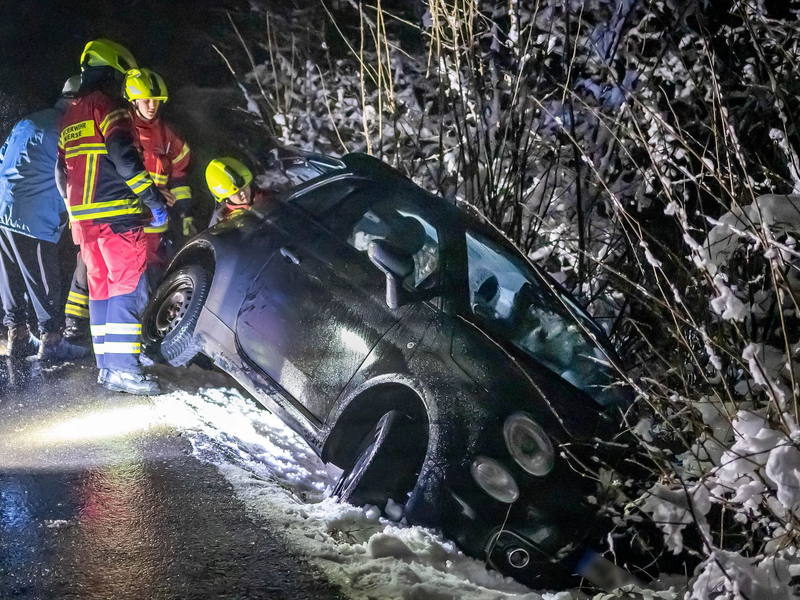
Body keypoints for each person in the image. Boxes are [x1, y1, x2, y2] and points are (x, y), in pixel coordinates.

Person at [56, 39, 168, 395]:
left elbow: (61, 172)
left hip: (84, 224)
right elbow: (125, 160)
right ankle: (124, 370)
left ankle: (108, 367)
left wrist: (76, 209)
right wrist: (152, 200)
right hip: (118, 219)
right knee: (127, 291)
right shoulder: (111, 108)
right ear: (114, 73)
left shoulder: (71, 115)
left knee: (101, 291)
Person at [0, 77, 87, 360]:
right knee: (44, 279)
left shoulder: (28, 121)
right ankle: (51, 341)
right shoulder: (65, 129)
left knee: (10, 276)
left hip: (3, 208)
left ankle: (17, 336)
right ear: (77, 101)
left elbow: (3, 157)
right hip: (33, 217)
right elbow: (73, 174)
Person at [205, 157, 264, 226]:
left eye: (244, 187)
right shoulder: (221, 221)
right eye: (236, 192)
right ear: (226, 198)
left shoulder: (268, 194)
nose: (243, 193)